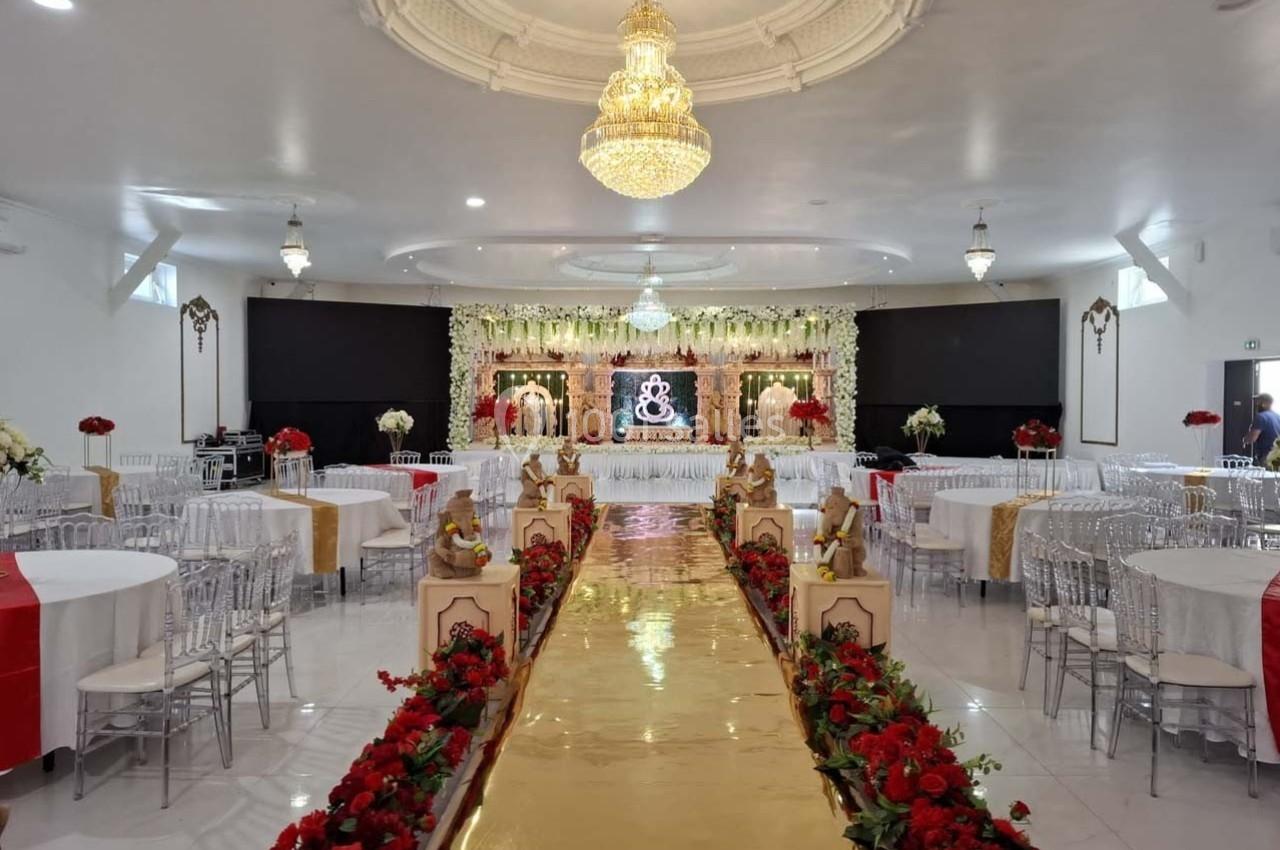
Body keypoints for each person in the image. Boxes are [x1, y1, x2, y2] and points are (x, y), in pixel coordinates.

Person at [1243, 393, 1280, 464]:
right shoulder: (1278, 416)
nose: (1256, 404)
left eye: (1258, 401)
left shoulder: (1261, 417)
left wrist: (1245, 439)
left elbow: (1252, 438)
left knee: (1265, 475)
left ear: (1265, 403)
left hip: (1268, 456)